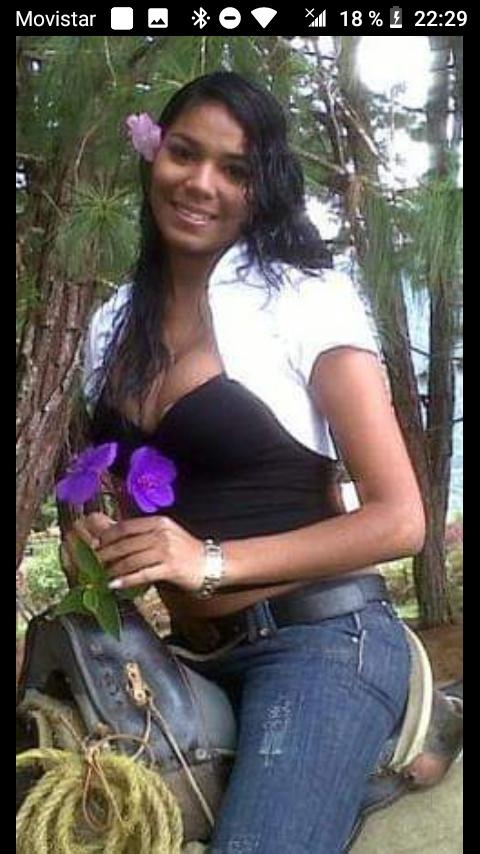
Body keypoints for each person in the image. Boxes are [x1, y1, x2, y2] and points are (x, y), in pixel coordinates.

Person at [78, 71, 427, 854]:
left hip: (320, 643)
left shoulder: (304, 300)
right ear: (153, 156)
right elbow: (136, 504)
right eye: (184, 153)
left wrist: (206, 562)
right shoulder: (109, 326)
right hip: (183, 656)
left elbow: (400, 519)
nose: (200, 183)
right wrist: (103, 545)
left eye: (233, 168)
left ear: (261, 184)